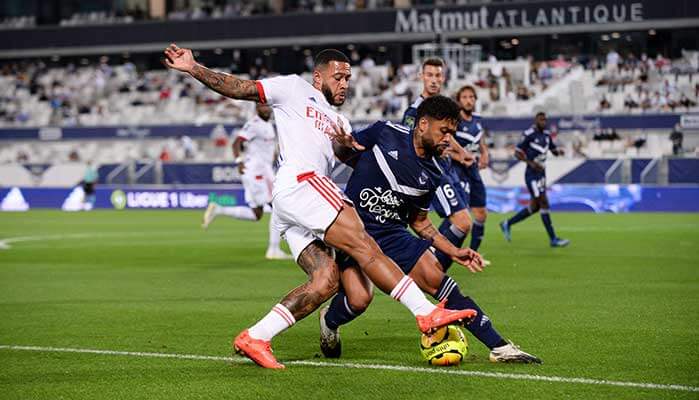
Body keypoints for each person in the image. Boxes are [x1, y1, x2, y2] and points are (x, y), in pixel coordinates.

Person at [164, 44, 480, 369]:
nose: (345, 83)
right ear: (318, 77)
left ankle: (256, 336)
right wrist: (194, 68)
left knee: (326, 281)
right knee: (364, 243)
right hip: (302, 181)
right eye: (338, 76)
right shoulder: (293, 88)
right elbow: (240, 88)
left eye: (348, 78)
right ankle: (426, 313)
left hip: (298, 204)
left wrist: (347, 148)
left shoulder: (339, 119)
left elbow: (350, 158)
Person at [319, 96, 541, 364]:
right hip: (352, 228)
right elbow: (344, 151)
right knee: (359, 300)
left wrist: (454, 251)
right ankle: (329, 322)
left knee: (435, 276)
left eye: (452, 133)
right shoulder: (385, 132)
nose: (448, 139)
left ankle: (500, 347)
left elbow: (420, 221)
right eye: (444, 131)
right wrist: (347, 150)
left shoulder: (437, 168)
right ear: (423, 124)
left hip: (392, 233)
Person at [402, 58, 478, 268]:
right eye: (429, 75)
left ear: (443, 78)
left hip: (447, 169)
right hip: (431, 172)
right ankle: (433, 270)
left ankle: (432, 264)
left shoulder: (442, 108)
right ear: (421, 77)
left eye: (438, 76)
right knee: (462, 222)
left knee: (460, 222)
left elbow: (447, 136)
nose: (434, 80)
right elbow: (412, 143)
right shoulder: (414, 112)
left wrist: (461, 153)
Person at [202, 103, 292, 260]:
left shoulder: (268, 125)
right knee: (277, 206)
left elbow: (268, 149)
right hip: (257, 172)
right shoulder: (254, 124)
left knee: (256, 214)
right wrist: (239, 161)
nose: (267, 109)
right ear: (257, 109)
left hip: (262, 171)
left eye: (268, 106)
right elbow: (236, 142)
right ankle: (273, 249)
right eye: (263, 107)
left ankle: (219, 210)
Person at [499, 112, 569, 247]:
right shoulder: (529, 134)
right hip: (531, 175)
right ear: (536, 120)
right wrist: (530, 163)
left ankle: (507, 223)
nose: (543, 122)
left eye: (545, 120)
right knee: (543, 202)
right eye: (541, 120)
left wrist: (558, 152)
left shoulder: (547, 135)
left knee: (535, 207)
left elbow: (552, 150)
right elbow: (517, 152)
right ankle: (553, 239)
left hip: (542, 175)